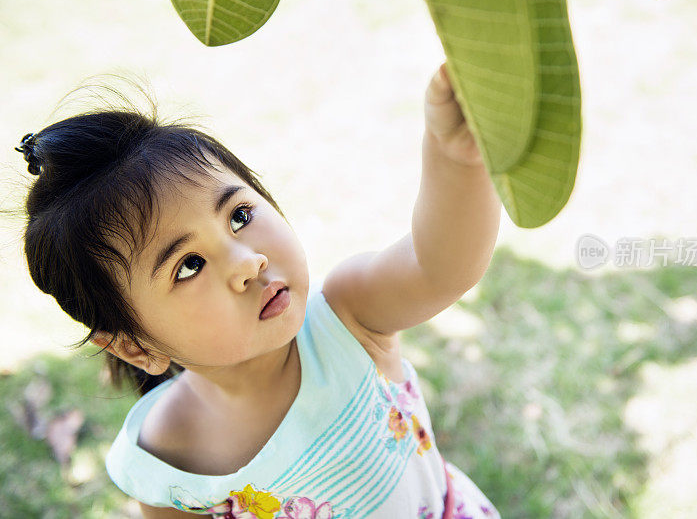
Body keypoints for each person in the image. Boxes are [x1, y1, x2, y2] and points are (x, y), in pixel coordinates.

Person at [17, 62, 503, 518]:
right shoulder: (162, 459)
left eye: (240, 216)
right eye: (189, 265)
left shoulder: (350, 319)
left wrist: (457, 160)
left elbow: (437, 264)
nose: (248, 262)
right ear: (134, 345)